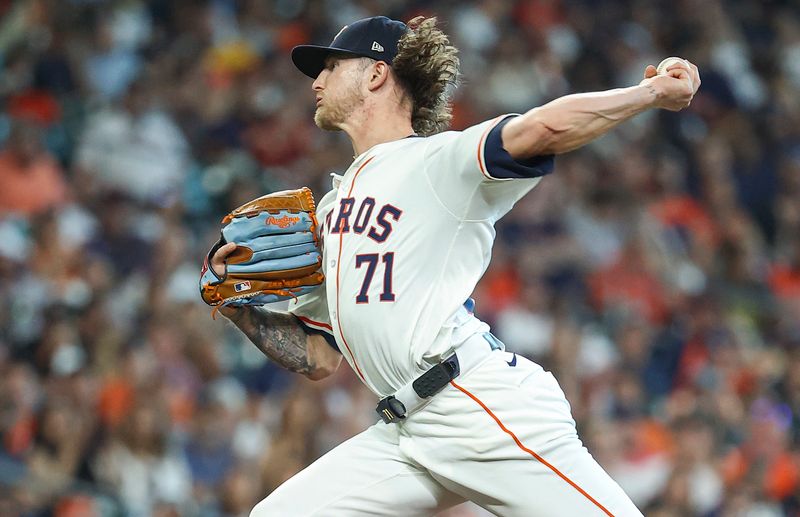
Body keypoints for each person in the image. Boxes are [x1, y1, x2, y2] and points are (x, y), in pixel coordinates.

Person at [208, 15, 699, 517]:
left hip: (477, 405)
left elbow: (543, 126)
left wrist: (649, 94)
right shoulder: (331, 211)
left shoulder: (438, 161)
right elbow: (318, 357)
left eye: (332, 66)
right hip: (407, 433)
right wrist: (239, 311)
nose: (317, 81)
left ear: (376, 74)